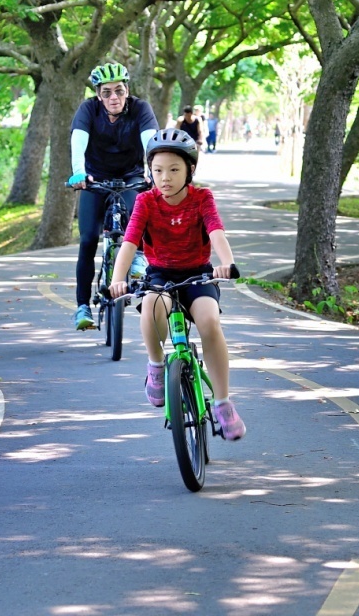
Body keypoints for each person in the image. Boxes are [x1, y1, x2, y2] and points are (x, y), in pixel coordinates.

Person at [108, 129, 246, 440]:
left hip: (198, 275)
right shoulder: (145, 201)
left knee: (210, 320)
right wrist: (118, 280)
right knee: (152, 307)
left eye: (173, 170)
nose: (165, 178)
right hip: (160, 275)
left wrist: (226, 263)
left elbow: (216, 232)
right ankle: (156, 366)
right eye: (157, 171)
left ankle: (223, 403)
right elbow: (129, 242)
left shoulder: (202, 198)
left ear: (190, 171)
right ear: (150, 171)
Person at [67, 61, 159, 330]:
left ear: (127, 90)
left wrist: (154, 171)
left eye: (119, 90)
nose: (113, 97)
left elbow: (151, 140)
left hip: (131, 175)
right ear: (98, 94)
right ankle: (82, 306)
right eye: (106, 92)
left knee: (138, 217)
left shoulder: (141, 108)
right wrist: (78, 173)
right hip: (94, 178)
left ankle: (138, 257)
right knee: (87, 239)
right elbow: (78, 140)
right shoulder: (88, 109)